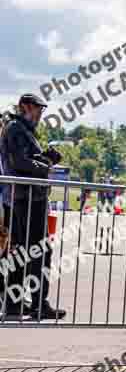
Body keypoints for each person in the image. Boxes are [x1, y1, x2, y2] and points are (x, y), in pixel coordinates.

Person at [0, 94, 65, 319]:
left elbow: (25, 159)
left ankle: (13, 302)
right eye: (37, 108)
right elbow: (19, 162)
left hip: (23, 197)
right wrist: (46, 163)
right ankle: (38, 303)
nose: (39, 114)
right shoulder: (16, 128)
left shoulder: (20, 128)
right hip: (26, 197)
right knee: (39, 251)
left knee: (20, 251)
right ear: (24, 107)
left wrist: (43, 157)